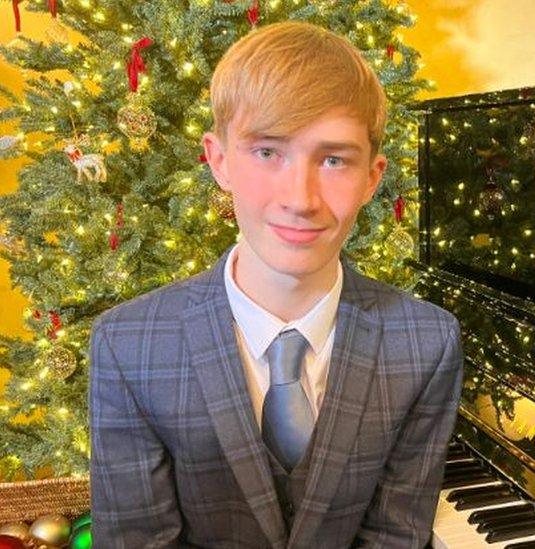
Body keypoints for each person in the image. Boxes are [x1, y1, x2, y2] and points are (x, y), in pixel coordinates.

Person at [89, 22, 464, 548]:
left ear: (373, 177)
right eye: (268, 152)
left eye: (333, 160)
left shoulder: (427, 342)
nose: (300, 198)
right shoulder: (127, 343)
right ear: (219, 161)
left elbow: (395, 534)